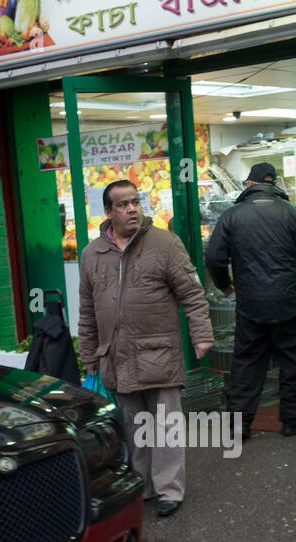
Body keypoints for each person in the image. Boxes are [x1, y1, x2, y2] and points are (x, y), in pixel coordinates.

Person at [78, 179, 213, 518]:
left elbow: (192, 294)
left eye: (136, 202)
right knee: (135, 427)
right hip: (117, 357)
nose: (132, 209)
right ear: (108, 212)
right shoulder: (93, 254)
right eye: (123, 204)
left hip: (159, 352)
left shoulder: (164, 244)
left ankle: (170, 489)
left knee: (165, 424)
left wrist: (201, 335)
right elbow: (87, 308)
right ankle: (144, 485)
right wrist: (89, 352)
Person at [205, 162, 296, 439]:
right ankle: (294, 420)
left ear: (250, 184)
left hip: (250, 305)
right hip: (289, 302)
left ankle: (238, 426)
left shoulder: (232, 216)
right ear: (274, 183)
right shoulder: (295, 214)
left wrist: (225, 285)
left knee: (247, 365)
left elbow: (214, 258)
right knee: (293, 363)